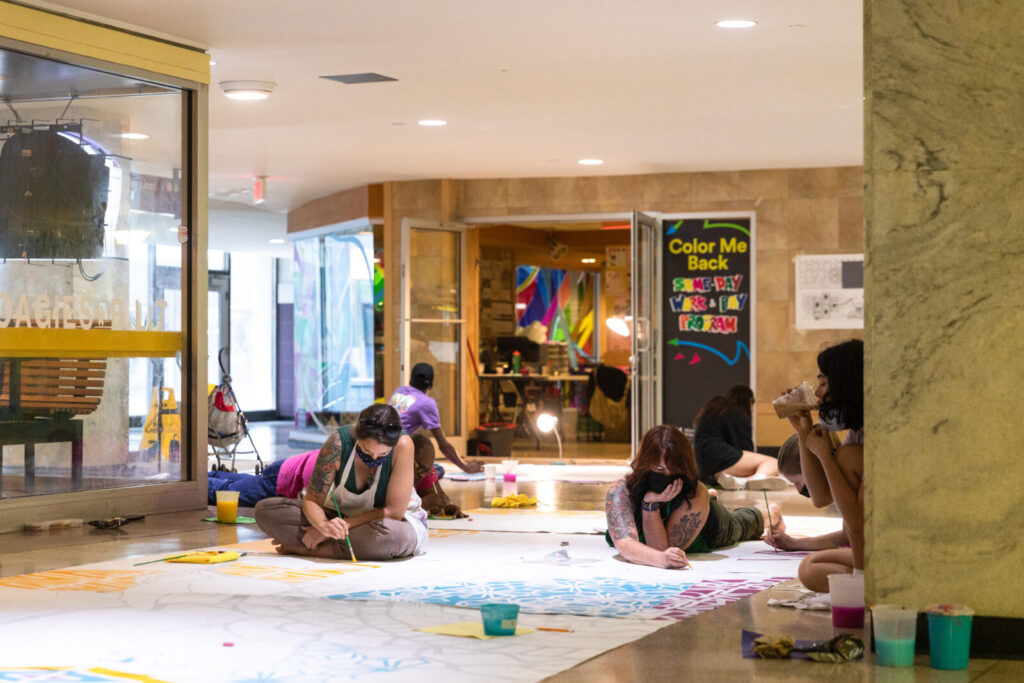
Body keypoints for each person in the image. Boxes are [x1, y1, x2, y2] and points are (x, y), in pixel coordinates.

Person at [254, 403, 427, 561]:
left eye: (382, 454)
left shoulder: (403, 445)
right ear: (357, 436)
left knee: (392, 537)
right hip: (338, 517)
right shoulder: (337, 443)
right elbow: (312, 500)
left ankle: (312, 550)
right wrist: (323, 525)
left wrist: (335, 530)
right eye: (366, 451)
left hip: (383, 523)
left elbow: (392, 513)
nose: (374, 458)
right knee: (266, 511)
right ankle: (346, 546)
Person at [604, 424, 784, 569]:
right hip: (680, 506)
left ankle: (771, 513)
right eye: (659, 469)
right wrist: (649, 503)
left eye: (673, 470)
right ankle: (710, 498)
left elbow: (662, 549)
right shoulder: (621, 491)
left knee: (741, 523)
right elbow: (627, 544)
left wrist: (651, 507)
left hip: (709, 526)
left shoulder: (694, 492)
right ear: (644, 464)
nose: (666, 476)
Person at [766, 339, 864, 592]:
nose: (818, 393)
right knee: (810, 568)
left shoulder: (868, 441)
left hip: (882, 551)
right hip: (869, 550)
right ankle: (866, 582)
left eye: (823, 383)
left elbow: (856, 525)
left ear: (845, 385)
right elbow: (821, 497)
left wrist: (826, 457)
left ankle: (867, 582)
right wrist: (803, 430)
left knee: (845, 457)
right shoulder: (857, 433)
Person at [389, 362, 482, 496]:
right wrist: (465, 466)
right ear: (431, 385)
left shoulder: (399, 391)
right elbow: (443, 446)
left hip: (385, 451)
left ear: (410, 380)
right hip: (398, 456)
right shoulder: (427, 403)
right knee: (437, 469)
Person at [693, 385, 786, 489]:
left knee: (757, 467)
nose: (752, 410)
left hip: (705, 468)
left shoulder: (716, 409)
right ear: (749, 401)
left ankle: (740, 481)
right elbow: (745, 449)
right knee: (773, 463)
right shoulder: (738, 413)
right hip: (721, 461)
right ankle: (753, 480)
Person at [207, 449, 320, 508]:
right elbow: (310, 501)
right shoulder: (326, 461)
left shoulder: (328, 453)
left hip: (286, 469)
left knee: (246, 484)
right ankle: (198, 483)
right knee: (227, 492)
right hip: (281, 479)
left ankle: (208, 475)